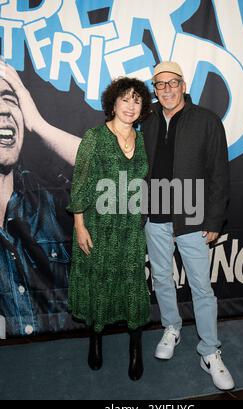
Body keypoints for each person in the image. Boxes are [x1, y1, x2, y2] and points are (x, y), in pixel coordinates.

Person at [142, 62, 235, 391]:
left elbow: (219, 173)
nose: (166, 89)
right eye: (159, 84)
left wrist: (213, 219)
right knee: (162, 277)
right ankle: (172, 328)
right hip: (155, 214)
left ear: (183, 85)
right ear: (153, 88)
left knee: (201, 287)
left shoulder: (207, 120)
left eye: (172, 83)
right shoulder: (146, 120)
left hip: (192, 216)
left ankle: (209, 350)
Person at [66, 77, 152, 381]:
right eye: (125, 99)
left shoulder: (142, 140)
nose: (130, 106)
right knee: (99, 283)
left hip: (131, 227)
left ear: (143, 108)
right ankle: (96, 340)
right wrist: (79, 225)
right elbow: (80, 184)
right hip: (98, 226)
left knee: (132, 284)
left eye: (137, 101)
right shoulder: (94, 137)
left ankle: (136, 346)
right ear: (112, 103)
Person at [0, 60, 81, 337]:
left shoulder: (52, 201)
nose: (3, 110)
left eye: (10, 99)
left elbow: (121, 179)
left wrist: (39, 125)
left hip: (64, 360)